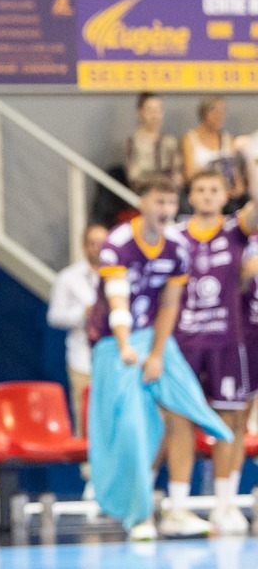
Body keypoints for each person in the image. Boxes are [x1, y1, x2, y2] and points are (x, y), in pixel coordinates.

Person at [87, 175, 226, 542]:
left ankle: (178, 509)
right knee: (133, 426)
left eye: (170, 202)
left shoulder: (178, 247)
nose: (165, 210)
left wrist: (157, 354)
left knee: (183, 413)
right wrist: (126, 347)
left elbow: (169, 305)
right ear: (142, 202)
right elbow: (116, 299)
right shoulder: (117, 243)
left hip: (153, 337)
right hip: (113, 342)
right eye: (158, 202)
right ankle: (139, 513)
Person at [162, 167, 258, 536]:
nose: (205, 195)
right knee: (179, 423)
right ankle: (179, 507)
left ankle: (224, 504)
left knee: (231, 422)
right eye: (199, 189)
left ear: (224, 195)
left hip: (227, 340)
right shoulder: (176, 236)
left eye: (213, 190)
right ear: (190, 195)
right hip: (184, 342)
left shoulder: (235, 230)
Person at [47, 223, 109, 433]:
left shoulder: (121, 274)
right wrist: (84, 313)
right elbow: (55, 317)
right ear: (84, 247)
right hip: (82, 359)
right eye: (92, 244)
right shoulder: (68, 278)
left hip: (115, 358)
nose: (98, 248)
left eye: (102, 243)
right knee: (86, 421)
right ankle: (86, 466)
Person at [183, 96, 246, 199]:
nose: (219, 116)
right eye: (215, 112)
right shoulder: (190, 138)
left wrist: (238, 188)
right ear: (204, 113)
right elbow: (189, 175)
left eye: (222, 112)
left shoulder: (228, 139)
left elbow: (235, 172)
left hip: (227, 194)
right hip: (202, 193)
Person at [120, 92, 179, 190]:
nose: (155, 116)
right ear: (139, 112)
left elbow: (177, 174)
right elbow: (134, 176)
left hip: (169, 192)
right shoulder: (132, 143)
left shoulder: (170, 142)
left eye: (158, 110)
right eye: (150, 110)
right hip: (143, 193)